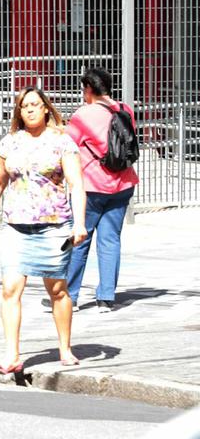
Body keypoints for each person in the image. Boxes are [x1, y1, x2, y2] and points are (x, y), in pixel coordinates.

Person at [0, 87, 88, 372]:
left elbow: (76, 184)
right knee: (10, 289)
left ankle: (64, 348)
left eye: (35, 105)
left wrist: (81, 223)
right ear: (19, 112)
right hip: (16, 227)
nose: (30, 110)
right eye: (24, 106)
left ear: (46, 108)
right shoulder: (9, 143)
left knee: (58, 290)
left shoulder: (62, 142)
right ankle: (11, 355)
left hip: (54, 227)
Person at [64, 68, 139, 313]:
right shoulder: (124, 109)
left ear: (88, 89)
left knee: (80, 239)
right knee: (110, 240)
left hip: (91, 187)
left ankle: (70, 297)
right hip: (123, 184)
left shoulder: (83, 114)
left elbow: (66, 144)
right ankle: (106, 297)